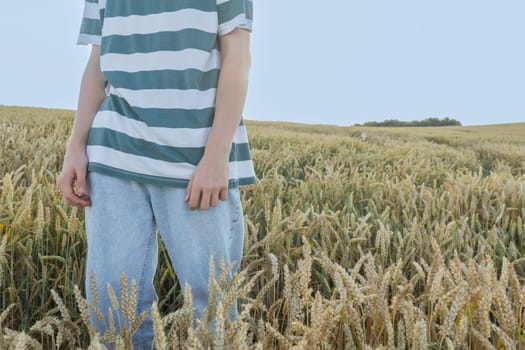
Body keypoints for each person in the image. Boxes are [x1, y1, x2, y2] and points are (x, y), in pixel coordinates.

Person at [58, 0, 256, 348]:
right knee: (112, 312)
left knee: (212, 314)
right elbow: (97, 64)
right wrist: (76, 145)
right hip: (113, 155)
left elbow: (238, 58)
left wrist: (216, 157)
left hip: (195, 164)